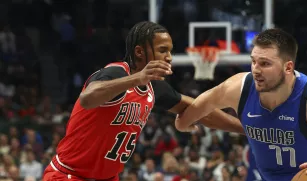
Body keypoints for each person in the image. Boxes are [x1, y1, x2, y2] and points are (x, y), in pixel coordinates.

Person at [42, 21, 244, 181]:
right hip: (68, 174)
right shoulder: (114, 73)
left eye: (170, 51)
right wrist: (137, 78)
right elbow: (87, 99)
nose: (169, 57)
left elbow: (201, 110)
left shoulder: (154, 87)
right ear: (139, 52)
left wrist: (247, 129)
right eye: (163, 50)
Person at [175, 28, 307, 181]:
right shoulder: (237, 88)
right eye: (253, 62)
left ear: (288, 67)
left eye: (265, 64)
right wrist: (183, 123)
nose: (256, 70)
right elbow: (193, 114)